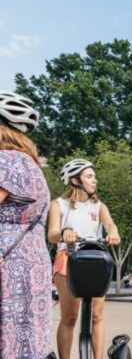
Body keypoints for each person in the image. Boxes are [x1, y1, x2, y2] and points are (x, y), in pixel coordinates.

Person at [47, 158, 122, 359]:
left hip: (94, 259)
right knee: (69, 317)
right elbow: (52, 233)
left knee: (97, 316)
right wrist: (65, 231)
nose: (94, 180)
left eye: (94, 176)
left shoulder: (98, 206)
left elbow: (110, 225)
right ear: (75, 180)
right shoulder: (59, 205)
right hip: (68, 259)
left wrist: (113, 233)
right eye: (89, 176)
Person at [0, 92, 55, 359]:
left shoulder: (5, 161)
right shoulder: (29, 164)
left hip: (8, 269)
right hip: (30, 264)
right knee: (28, 341)